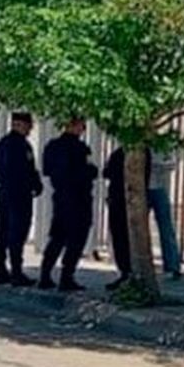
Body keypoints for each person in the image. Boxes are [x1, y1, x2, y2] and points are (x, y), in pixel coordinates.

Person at [38, 118, 97, 291]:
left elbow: (47, 170)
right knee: (76, 239)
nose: (82, 130)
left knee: (57, 237)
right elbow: (89, 171)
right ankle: (66, 277)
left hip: (61, 197)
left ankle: (45, 275)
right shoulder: (80, 148)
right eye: (81, 126)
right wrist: (90, 171)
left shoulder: (52, 146)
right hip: (78, 198)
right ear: (75, 126)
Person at [0, 112, 41, 286]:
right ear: (20, 125)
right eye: (28, 125)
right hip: (19, 195)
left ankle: (1, 269)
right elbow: (27, 171)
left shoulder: (2, 144)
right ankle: (16, 272)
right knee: (17, 233)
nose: (30, 129)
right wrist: (35, 184)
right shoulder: (21, 146)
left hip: (5, 193)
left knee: (3, 232)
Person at [148, 144, 182, 279]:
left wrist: (157, 166)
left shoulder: (162, 145)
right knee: (137, 228)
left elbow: (171, 164)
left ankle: (172, 265)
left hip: (158, 187)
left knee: (166, 227)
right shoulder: (136, 143)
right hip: (143, 189)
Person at [103, 145, 132, 289]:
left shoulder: (121, 153)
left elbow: (106, 172)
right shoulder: (121, 153)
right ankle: (126, 273)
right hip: (125, 200)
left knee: (121, 237)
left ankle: (126, 272)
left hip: (120, 200)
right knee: (122, 237)